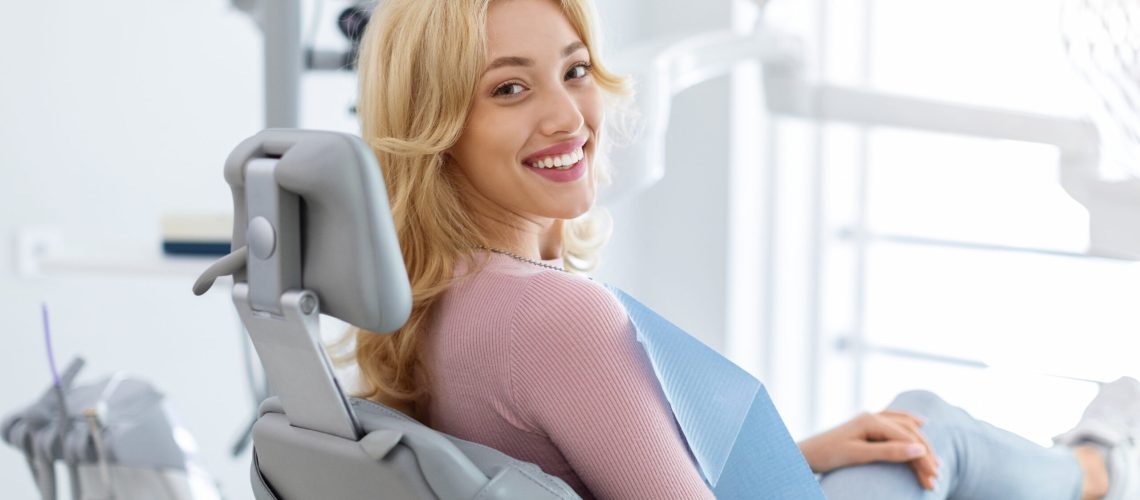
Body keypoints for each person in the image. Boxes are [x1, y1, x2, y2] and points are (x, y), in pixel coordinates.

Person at [343, 0, 1140, 498]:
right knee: (928, 428)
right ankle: (1102, 464)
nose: (568, 117)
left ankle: (1095, 459)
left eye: (575, 71)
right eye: (510, 89)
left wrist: (803, 458)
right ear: (437, 125)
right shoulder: (555, 317)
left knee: (899, 430)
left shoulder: (434, 298)